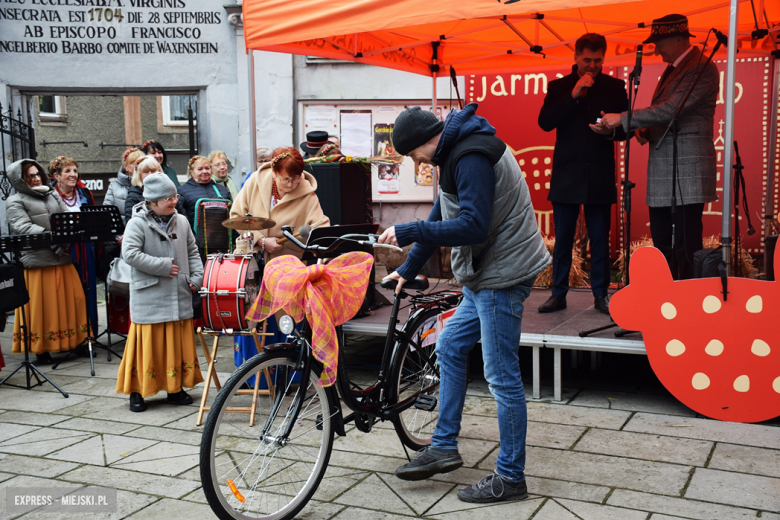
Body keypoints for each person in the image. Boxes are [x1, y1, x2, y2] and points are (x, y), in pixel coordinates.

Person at [378, 105, 550, 502]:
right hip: (486, 272)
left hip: (501, 275)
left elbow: (472, 224)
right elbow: (445, 209)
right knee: (450, 347)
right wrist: (410, 265)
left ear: (421, 144)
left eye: (409, 155)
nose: (413, 162)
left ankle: (510, 478)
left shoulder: (471, 155)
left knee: (501, 376)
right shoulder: (456, 149)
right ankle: (442, 445)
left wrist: (408, 230)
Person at [597, 14, 718, 280]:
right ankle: (664, 298)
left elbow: (674, 108)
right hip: (666, 167)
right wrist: (644, 129)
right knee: (663, 239)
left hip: (686, 167)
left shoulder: (701, 67)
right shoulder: (676, 68)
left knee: (686, 242)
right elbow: (668, 114)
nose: (656, 48)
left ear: (678, 38)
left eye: (660, 42)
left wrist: (624, 118)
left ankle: (687, 299)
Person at [537, 33, 629, 315]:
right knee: (563, 238)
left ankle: (601, 295)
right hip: (567, 172)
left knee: (600, 238)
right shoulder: (559, 87)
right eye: (587, 60)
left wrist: (611, 130)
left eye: (598, 60)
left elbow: (627, 130)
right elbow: (545, 122)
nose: (592, 66)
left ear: (604, 58)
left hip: (599, 173)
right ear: (575, 57)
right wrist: (573, 95)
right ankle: (558, 293)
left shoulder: (615, 87)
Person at [231, 147, 329, 375]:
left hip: (286, 265)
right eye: (287, 179)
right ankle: (252, 377)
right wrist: (261, 241)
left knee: (286, 323)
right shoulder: (256, 180)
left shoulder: (307, 194)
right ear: (274, 172)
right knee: (252, 317)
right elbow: (236, 217)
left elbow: (321, 226)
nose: (293, 183)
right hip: (253, 260)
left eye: (297, 178)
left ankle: (290, 379)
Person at [116, 173, 204, 412]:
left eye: (174, 195)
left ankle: (175, 388)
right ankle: (138, 391)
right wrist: (163, 266)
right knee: (147, 346)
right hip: (150, 297)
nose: (174, 200)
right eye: (168, 198)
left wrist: (196, 277)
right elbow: (129, 254)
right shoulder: (137, 222)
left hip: (179, 293)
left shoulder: (182, 221)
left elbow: (193, 252)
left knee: (175, 343)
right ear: (153, 201)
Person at [6, 159, 88, 364]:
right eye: (30, 175)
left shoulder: (51, 194)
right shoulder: (15, 201)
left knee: (72, 302)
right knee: (42, 309)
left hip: (62, 257)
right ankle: (42, 349)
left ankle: (75, 342)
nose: (36, 178)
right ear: (21, 179)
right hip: (38, 262)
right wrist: (52, 238)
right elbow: (22, 227)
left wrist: (68, 235)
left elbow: (65, 218)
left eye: (37, 174)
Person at [49, 156, 99, 338]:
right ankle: (70, 335)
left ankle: (89, 333)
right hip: (64, 249)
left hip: (85, 247)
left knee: (88, 288)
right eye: (67, 171)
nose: (73, 175)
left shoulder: (84, 193)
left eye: (75, 171)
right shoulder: (50, 196)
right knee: (68, 292)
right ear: (56, 175)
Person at [176, 155, 231, 229]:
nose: (204, 171)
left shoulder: (222, 190)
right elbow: (180, 219)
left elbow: (231, 216)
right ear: (191, 172)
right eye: (200, 169)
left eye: (207, 168)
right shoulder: (182, 191)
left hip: (223, 237)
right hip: (195, 238)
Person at [105, 148, 140, 224]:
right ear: (125, 166)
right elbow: (106, 212)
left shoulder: (147, 185)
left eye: (140, 162)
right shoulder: (114, 186)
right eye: (134, 163)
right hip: (120, 232)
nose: (137, 166)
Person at [124, 155, 161, 222]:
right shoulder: (133, 197)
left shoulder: (167, 190)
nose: (150, 174)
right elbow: (131, 225)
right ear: (139, 175)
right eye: (146, 172)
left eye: (153, 171)